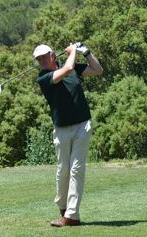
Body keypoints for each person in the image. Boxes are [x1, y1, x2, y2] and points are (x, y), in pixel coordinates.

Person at [33, 42, 104, 227]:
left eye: (43, 57)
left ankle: (71, 216)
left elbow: (97, 70)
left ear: (52, 55)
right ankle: (64, 209)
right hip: (62, 128)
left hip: (82, 125)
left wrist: (86, 52)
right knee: (62, 171)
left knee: (76, 169)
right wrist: (72, 52)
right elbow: (67, 69)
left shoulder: (70, 68)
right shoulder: (44, 77)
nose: (41, 61)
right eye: (38, 59)